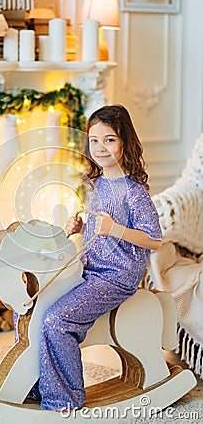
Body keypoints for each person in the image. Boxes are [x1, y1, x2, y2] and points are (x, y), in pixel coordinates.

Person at [37, 104, 163, 411]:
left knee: (56, 320)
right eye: (94, 140)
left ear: (124, 143)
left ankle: (64, 401)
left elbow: (154, 240)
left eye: (109, 139)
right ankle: (36, 387)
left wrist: (116, 229)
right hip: (89, 269)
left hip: (117, 277)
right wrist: (78, 226)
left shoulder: (134, 192)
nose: (101, 147)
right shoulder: (94, 184)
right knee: (34, 304)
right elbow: (95, 227)